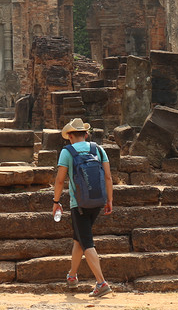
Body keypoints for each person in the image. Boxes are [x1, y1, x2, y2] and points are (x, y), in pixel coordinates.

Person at [52, 117, 114, 298]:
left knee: (86, 242)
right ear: (86, 134)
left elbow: (60, 180)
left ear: (70, 136)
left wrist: (56, 202)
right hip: (97, 201)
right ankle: (72, 276)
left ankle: (101, 283)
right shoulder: (98, 149)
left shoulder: (67, 152)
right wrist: (109, 200)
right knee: (78, 239)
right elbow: (109, 177)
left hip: (78, 203)